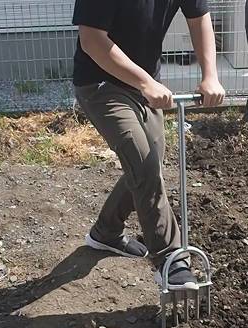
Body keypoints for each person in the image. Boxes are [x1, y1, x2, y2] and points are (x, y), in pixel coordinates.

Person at [72, 1, 225, 289]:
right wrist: (145, 82)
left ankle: (106, 232)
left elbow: (199, 18)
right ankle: (171, 259)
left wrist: (210, 75)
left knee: (149, 161)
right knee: (143, 165)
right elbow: (92, 40)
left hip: (145, 88)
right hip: (100, 85)